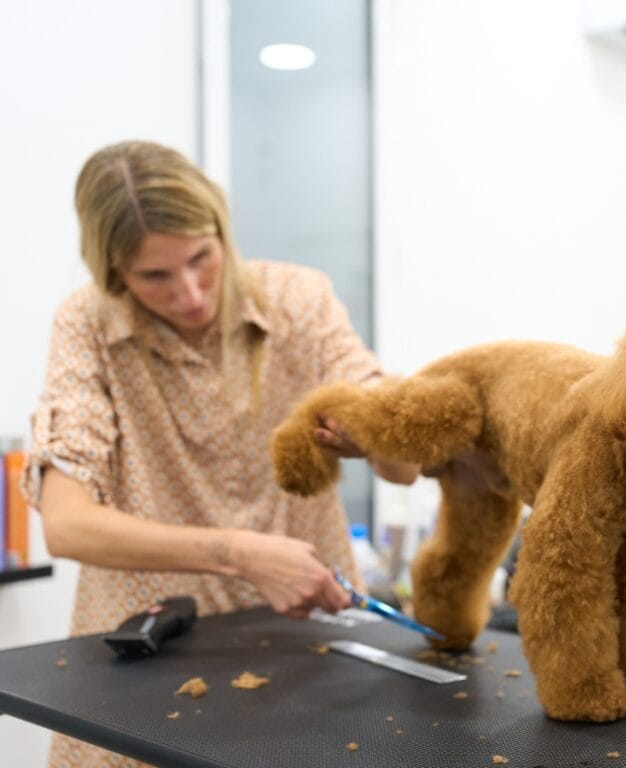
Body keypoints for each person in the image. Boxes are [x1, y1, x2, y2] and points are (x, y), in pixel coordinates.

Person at [24, 140, 419, 768]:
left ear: (221, 230)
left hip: (305, 642)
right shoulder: (88, 325)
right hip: (147, 655)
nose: (190, 294)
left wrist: (375, 431)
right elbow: (66, 525)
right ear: (112, 272)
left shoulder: (300, 300)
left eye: (201, 259)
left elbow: (404, 464)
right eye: (154, 276)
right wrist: (238, 554)